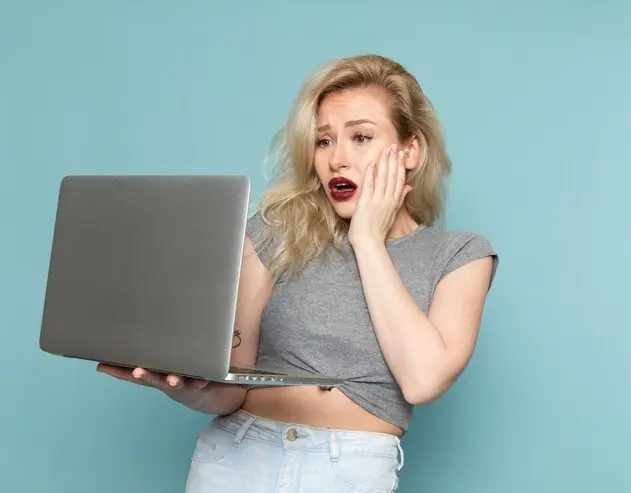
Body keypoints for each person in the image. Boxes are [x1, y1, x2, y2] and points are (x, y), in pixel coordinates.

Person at [98, 53, 499, 492]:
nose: (337, 160)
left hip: (345, 469)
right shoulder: (275, 233)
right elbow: (229, 389)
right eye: (324, 141)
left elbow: (423, 380)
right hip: (235, 457)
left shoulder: (458, 254)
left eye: (361, 137)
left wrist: (367, 240)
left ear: (410, 151)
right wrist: (179, 385)